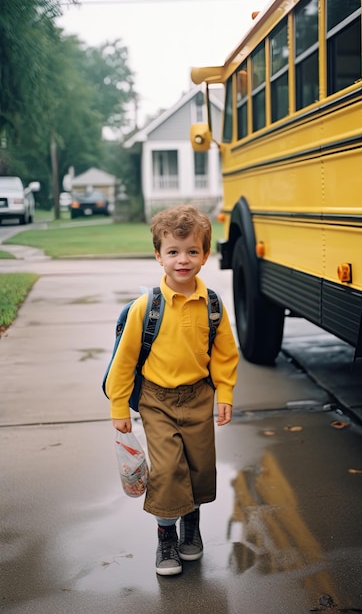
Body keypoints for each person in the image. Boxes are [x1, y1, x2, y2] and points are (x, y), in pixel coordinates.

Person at [106, 204, 239, 576]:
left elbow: (225, 355)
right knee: (167, 471)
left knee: (198, 469)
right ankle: (166, 539)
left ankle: (190, 530)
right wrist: (120, 408)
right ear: (158, 256)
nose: (183, 260)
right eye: (174, 252)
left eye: (192, 251)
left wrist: (224, 394)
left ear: (205, 255)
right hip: (156, 400)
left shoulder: (212, 304)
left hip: (199, 398)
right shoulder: (145, 307)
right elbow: (124, 361)